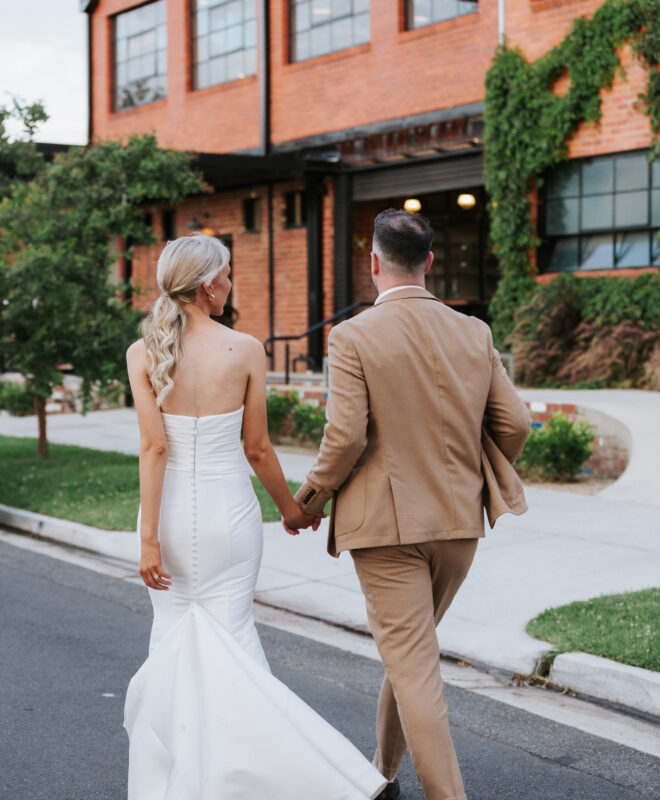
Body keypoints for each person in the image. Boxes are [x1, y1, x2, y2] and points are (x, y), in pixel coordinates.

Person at [123, 233, 386, 800]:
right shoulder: (244, 348)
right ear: (206, 285)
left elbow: (155, 449)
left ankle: (182, 780)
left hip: (167, 517)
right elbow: (258, 449)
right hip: (229, 518)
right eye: (227, 274)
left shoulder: (142, 353)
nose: (230, 283)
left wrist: (148, 541)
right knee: (233, 642)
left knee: (172, 639)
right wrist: (291, 511)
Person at [292, 209, 531, 800]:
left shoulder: (351, 336)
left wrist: (309, 499)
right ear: (428, 262)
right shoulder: (473, 330)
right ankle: (384, 771)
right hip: (457, 525)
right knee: (413, 657)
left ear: (373, 263)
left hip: (385, 530)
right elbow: (516, 423)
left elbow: (344, 439)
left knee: (415, 666)